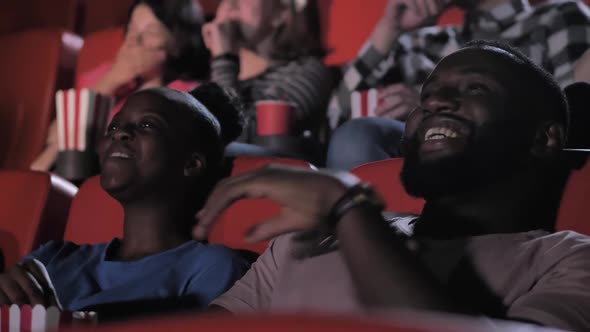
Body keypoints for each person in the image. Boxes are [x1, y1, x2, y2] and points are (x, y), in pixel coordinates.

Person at [195, 42, 590, 331]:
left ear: (545, 140)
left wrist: (350, 208)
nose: (437, 102)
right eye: (428, 95)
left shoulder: (568, 260)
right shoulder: (309, 237)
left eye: (475, 88)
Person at [0, 84, 248, 312]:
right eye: (114, 127)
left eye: (148, 125)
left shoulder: (214, 268)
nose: (121, 134)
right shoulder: (53, 257)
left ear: (191, 164)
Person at [326, 0, 590, 170]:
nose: (432, 100)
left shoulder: (556, 19)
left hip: (503, 167)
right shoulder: (419, 42)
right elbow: (334, 123)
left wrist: (436, 112)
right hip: (416, 175)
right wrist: (387, 31)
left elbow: (572, 123)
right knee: (356, 138)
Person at [31, 0, 210, 172]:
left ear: (177, 43)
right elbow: (57, 136)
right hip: (70, 171)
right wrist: (112, 80)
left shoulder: (188, 94)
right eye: (131, 28)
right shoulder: (102, 76)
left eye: (151, 32)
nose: (134, 40)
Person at [202, 0, 333, 143]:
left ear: (281, 13)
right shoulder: (223, 71)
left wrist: (223, 60)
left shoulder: (307, 72)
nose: (231, 3)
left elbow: (238, 136)